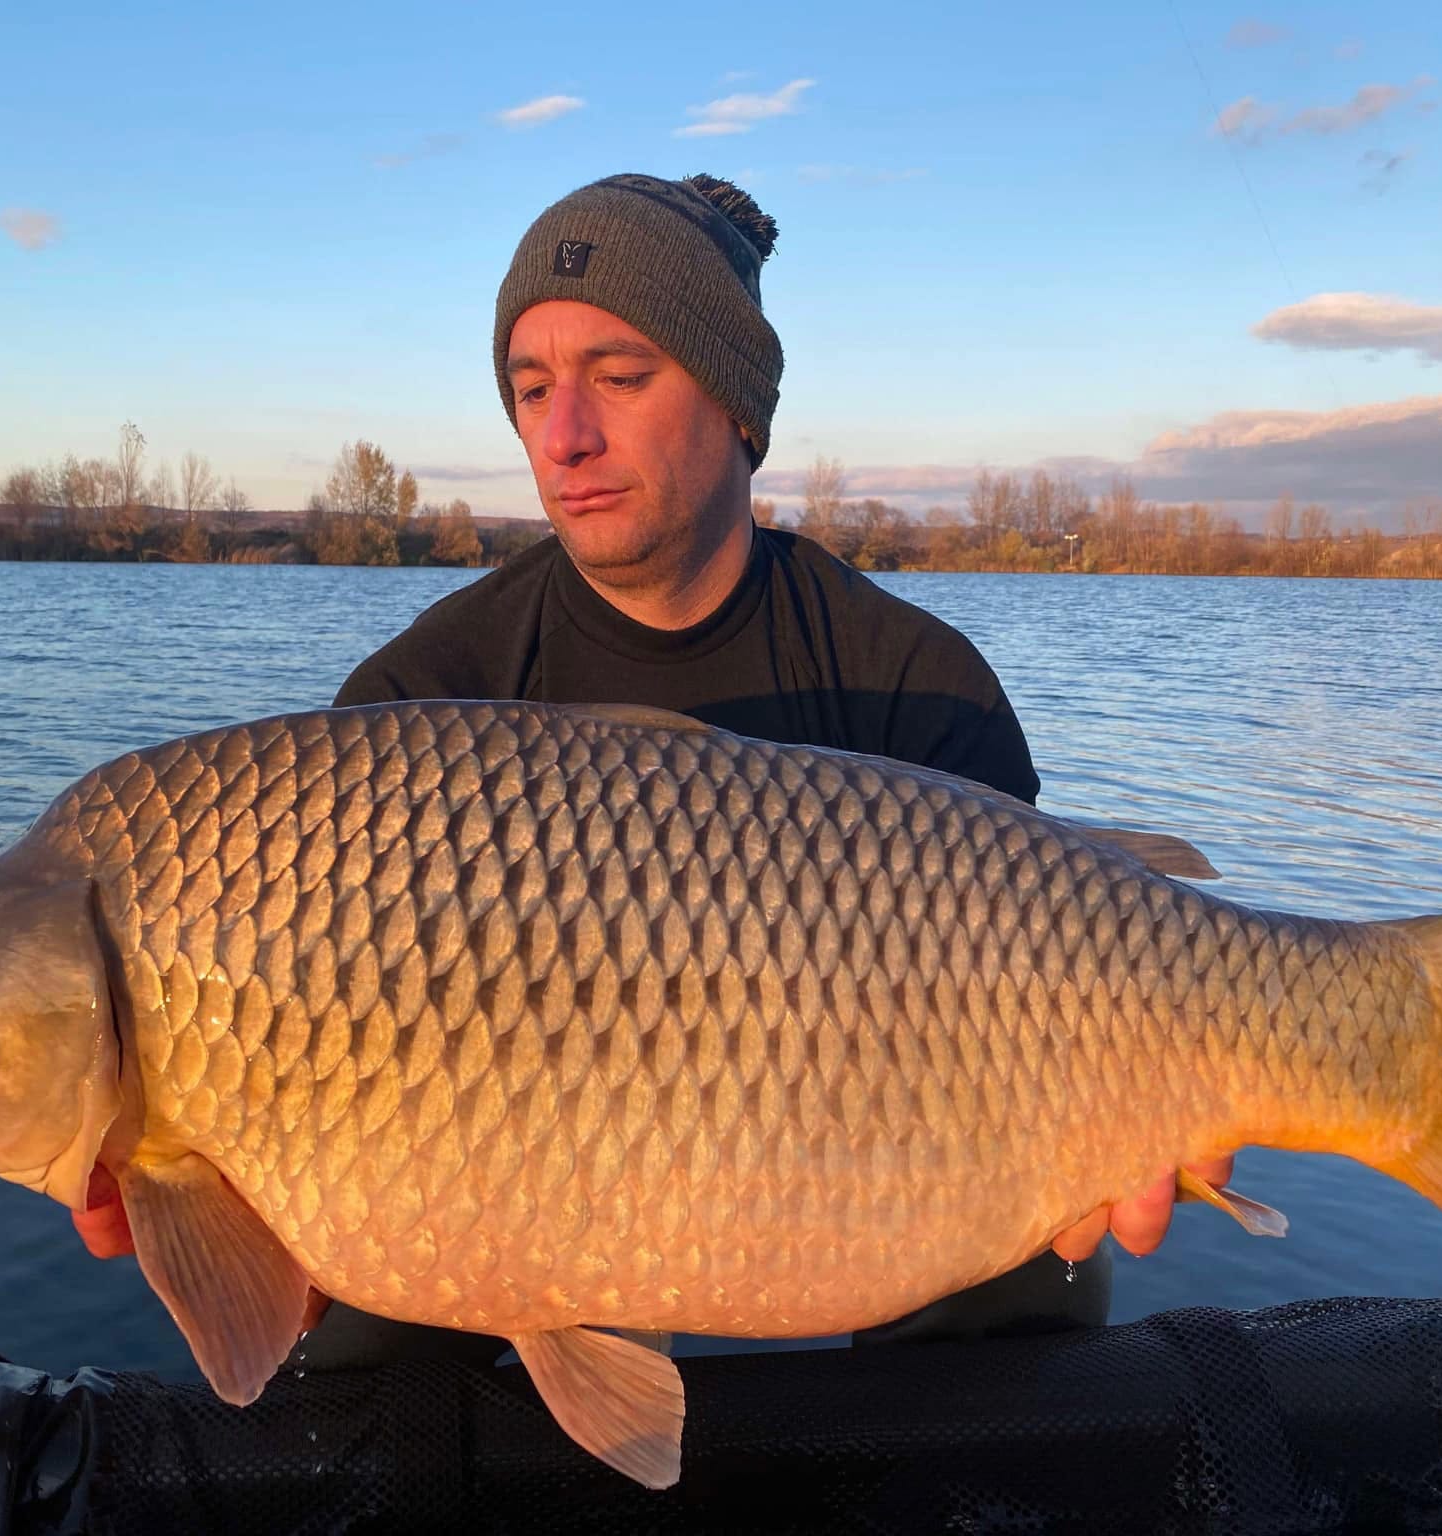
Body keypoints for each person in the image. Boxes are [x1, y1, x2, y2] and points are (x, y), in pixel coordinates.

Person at [308, 172, 1230, 1368]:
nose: (563, 433)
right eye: (531, 390)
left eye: (618, 376)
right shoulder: (417, 705)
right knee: (363, 1298)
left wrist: (1122, 1112)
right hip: (495, 1166)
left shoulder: (915, 685)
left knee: (1023, 1275)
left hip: (869, 1158)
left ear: (738, 409)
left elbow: (1048, 976)